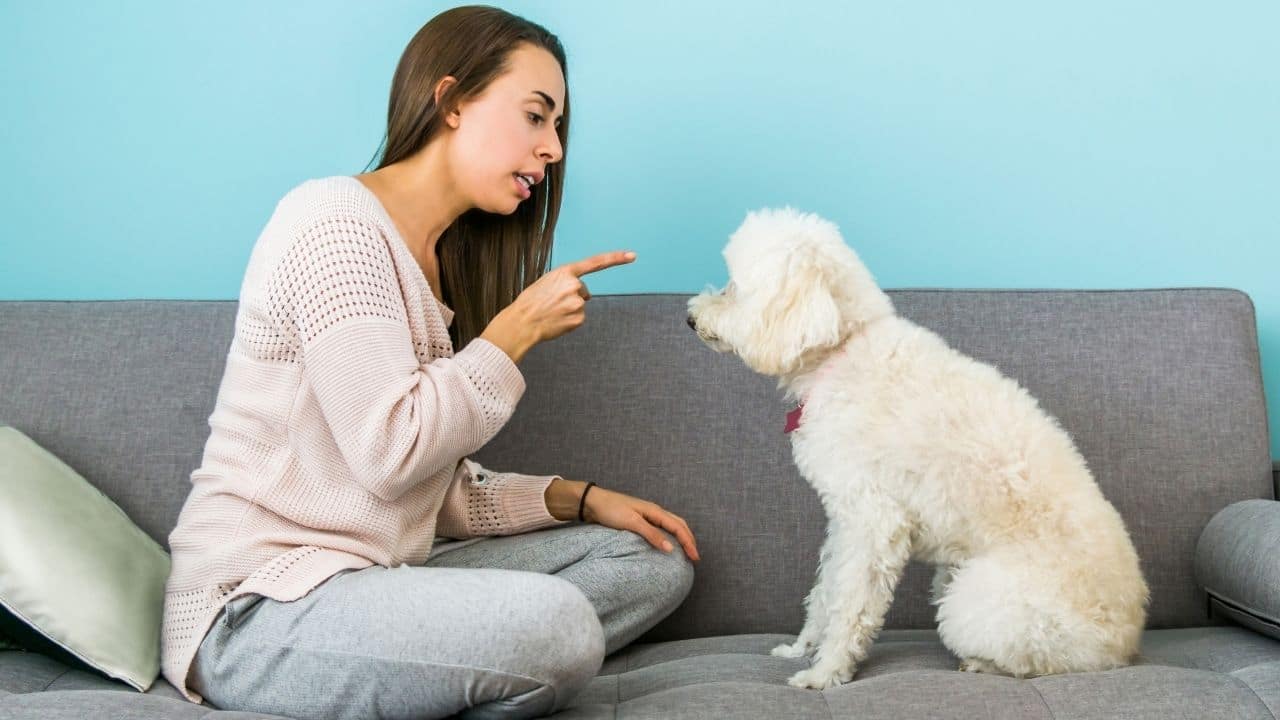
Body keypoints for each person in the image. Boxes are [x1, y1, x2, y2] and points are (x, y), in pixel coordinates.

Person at [160, 6, 699, 719]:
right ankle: (466, 672)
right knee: (557, 628)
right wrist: (511, 336)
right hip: (257, 606)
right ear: (450, 101)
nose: (554, 150)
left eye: (559, 127)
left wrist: (577, 496)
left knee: (652, 560)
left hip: (379, 571)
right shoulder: (334, 222)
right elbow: (391, 452)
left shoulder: (433, 266)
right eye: (536, 116)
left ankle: (433, 679)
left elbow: (417, 495)